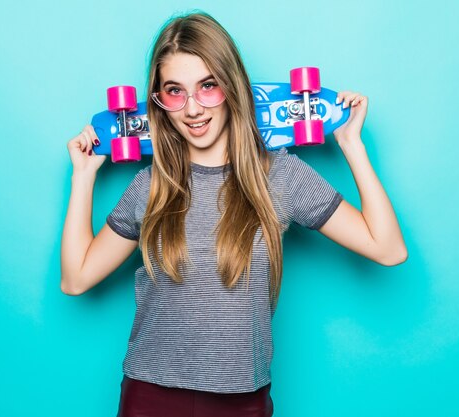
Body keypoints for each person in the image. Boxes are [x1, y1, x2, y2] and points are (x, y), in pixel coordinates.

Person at [61, 12, 407, 417]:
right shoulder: (150, 184)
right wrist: (83, 178)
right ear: (159, 101)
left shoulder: (281, 175)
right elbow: (76, 278)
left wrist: (352, 145)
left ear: (232, 86)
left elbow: (388, 249)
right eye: (175, 91)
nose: (192, 108)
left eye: (208, 86)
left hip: (241, 400)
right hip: (148, 393)